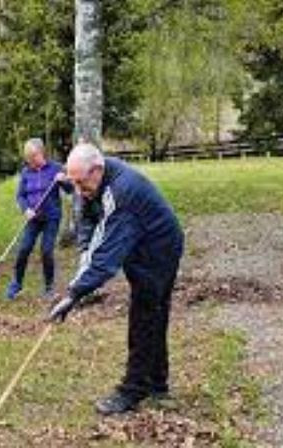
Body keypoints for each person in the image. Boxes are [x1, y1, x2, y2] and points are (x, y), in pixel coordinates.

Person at [48, 142, 184, 415]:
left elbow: (106, 256)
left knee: (145, 317)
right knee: (153, 315)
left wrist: (74, 294)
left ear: (97, 170)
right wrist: (85, 251)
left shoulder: (122, 194)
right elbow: (89, 221)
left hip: (158, 250)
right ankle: (157, 385)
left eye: (81, 183)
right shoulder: (97, 179)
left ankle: (134, 390)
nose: (78, 190)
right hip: (142, 245)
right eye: (72, 183)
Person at [7, 138, 72, 300]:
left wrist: (64, 180)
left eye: (33, 157)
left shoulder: (55, 168)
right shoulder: (26, 172)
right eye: (28, 158)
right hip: (33, 219)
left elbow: (70, 189)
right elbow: (20, 196)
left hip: (51, 217)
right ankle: (16, 284)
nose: (31, 161)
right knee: (24, 249)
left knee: (46, 251)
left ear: (41, 153)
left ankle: (49, 288)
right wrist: (26, 209)